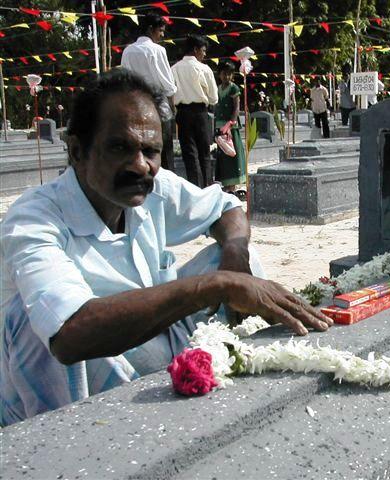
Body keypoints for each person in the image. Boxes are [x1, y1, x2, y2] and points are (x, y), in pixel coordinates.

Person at [0, 70, 332, 426]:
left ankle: (208, 389)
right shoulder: (35, 219)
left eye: (151, 151)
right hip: (68, 380)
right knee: (35, 321)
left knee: (232, 260)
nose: (140, 164)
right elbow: (69, 337)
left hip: (143, 346)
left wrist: (235, 253)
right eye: (119, 147)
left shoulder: (151, 187)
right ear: (78, 151)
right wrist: (216, 285)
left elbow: (227, 208)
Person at [121, 14, 177, 171]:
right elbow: (168, 83)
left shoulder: (128, 51)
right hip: (158, 103)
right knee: (163, 149)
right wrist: (172, 106)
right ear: (151, 29)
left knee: (139, 147)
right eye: (161, 31)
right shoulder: (158, 51)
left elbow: (125, 78)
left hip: (135, 104)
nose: (162, 35)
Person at [172, 34, 218, 188]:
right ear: (195, 49)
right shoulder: (204, 69)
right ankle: (207, 187)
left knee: (189, 154)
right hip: (200, 113)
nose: (204, 54)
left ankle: (195, 188)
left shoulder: (174, 69)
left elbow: (170, 92)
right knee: (204, 153)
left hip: (183, 113)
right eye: (203, 51)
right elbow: (213, 98)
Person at [214, 62, 246, 198]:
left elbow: (236, 107)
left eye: (229, 73)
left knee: (232, 155)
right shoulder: (217, 88)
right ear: (219, 74)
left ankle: (233, 186)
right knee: (222, 157)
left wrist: (230, 124)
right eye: (224, 73)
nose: (226, 76)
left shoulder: (234, 88)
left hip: (230, 126)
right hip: (218, 126)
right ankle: (226, 185)